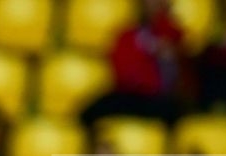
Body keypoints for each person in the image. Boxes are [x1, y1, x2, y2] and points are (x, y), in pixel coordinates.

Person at [79, 0, 192, 128]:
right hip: (130, 96)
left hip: (161, 99)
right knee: (89, 113)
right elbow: (122, 73)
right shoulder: (127, 35)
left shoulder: (173, 35)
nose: (155, 4)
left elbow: (183, 75)